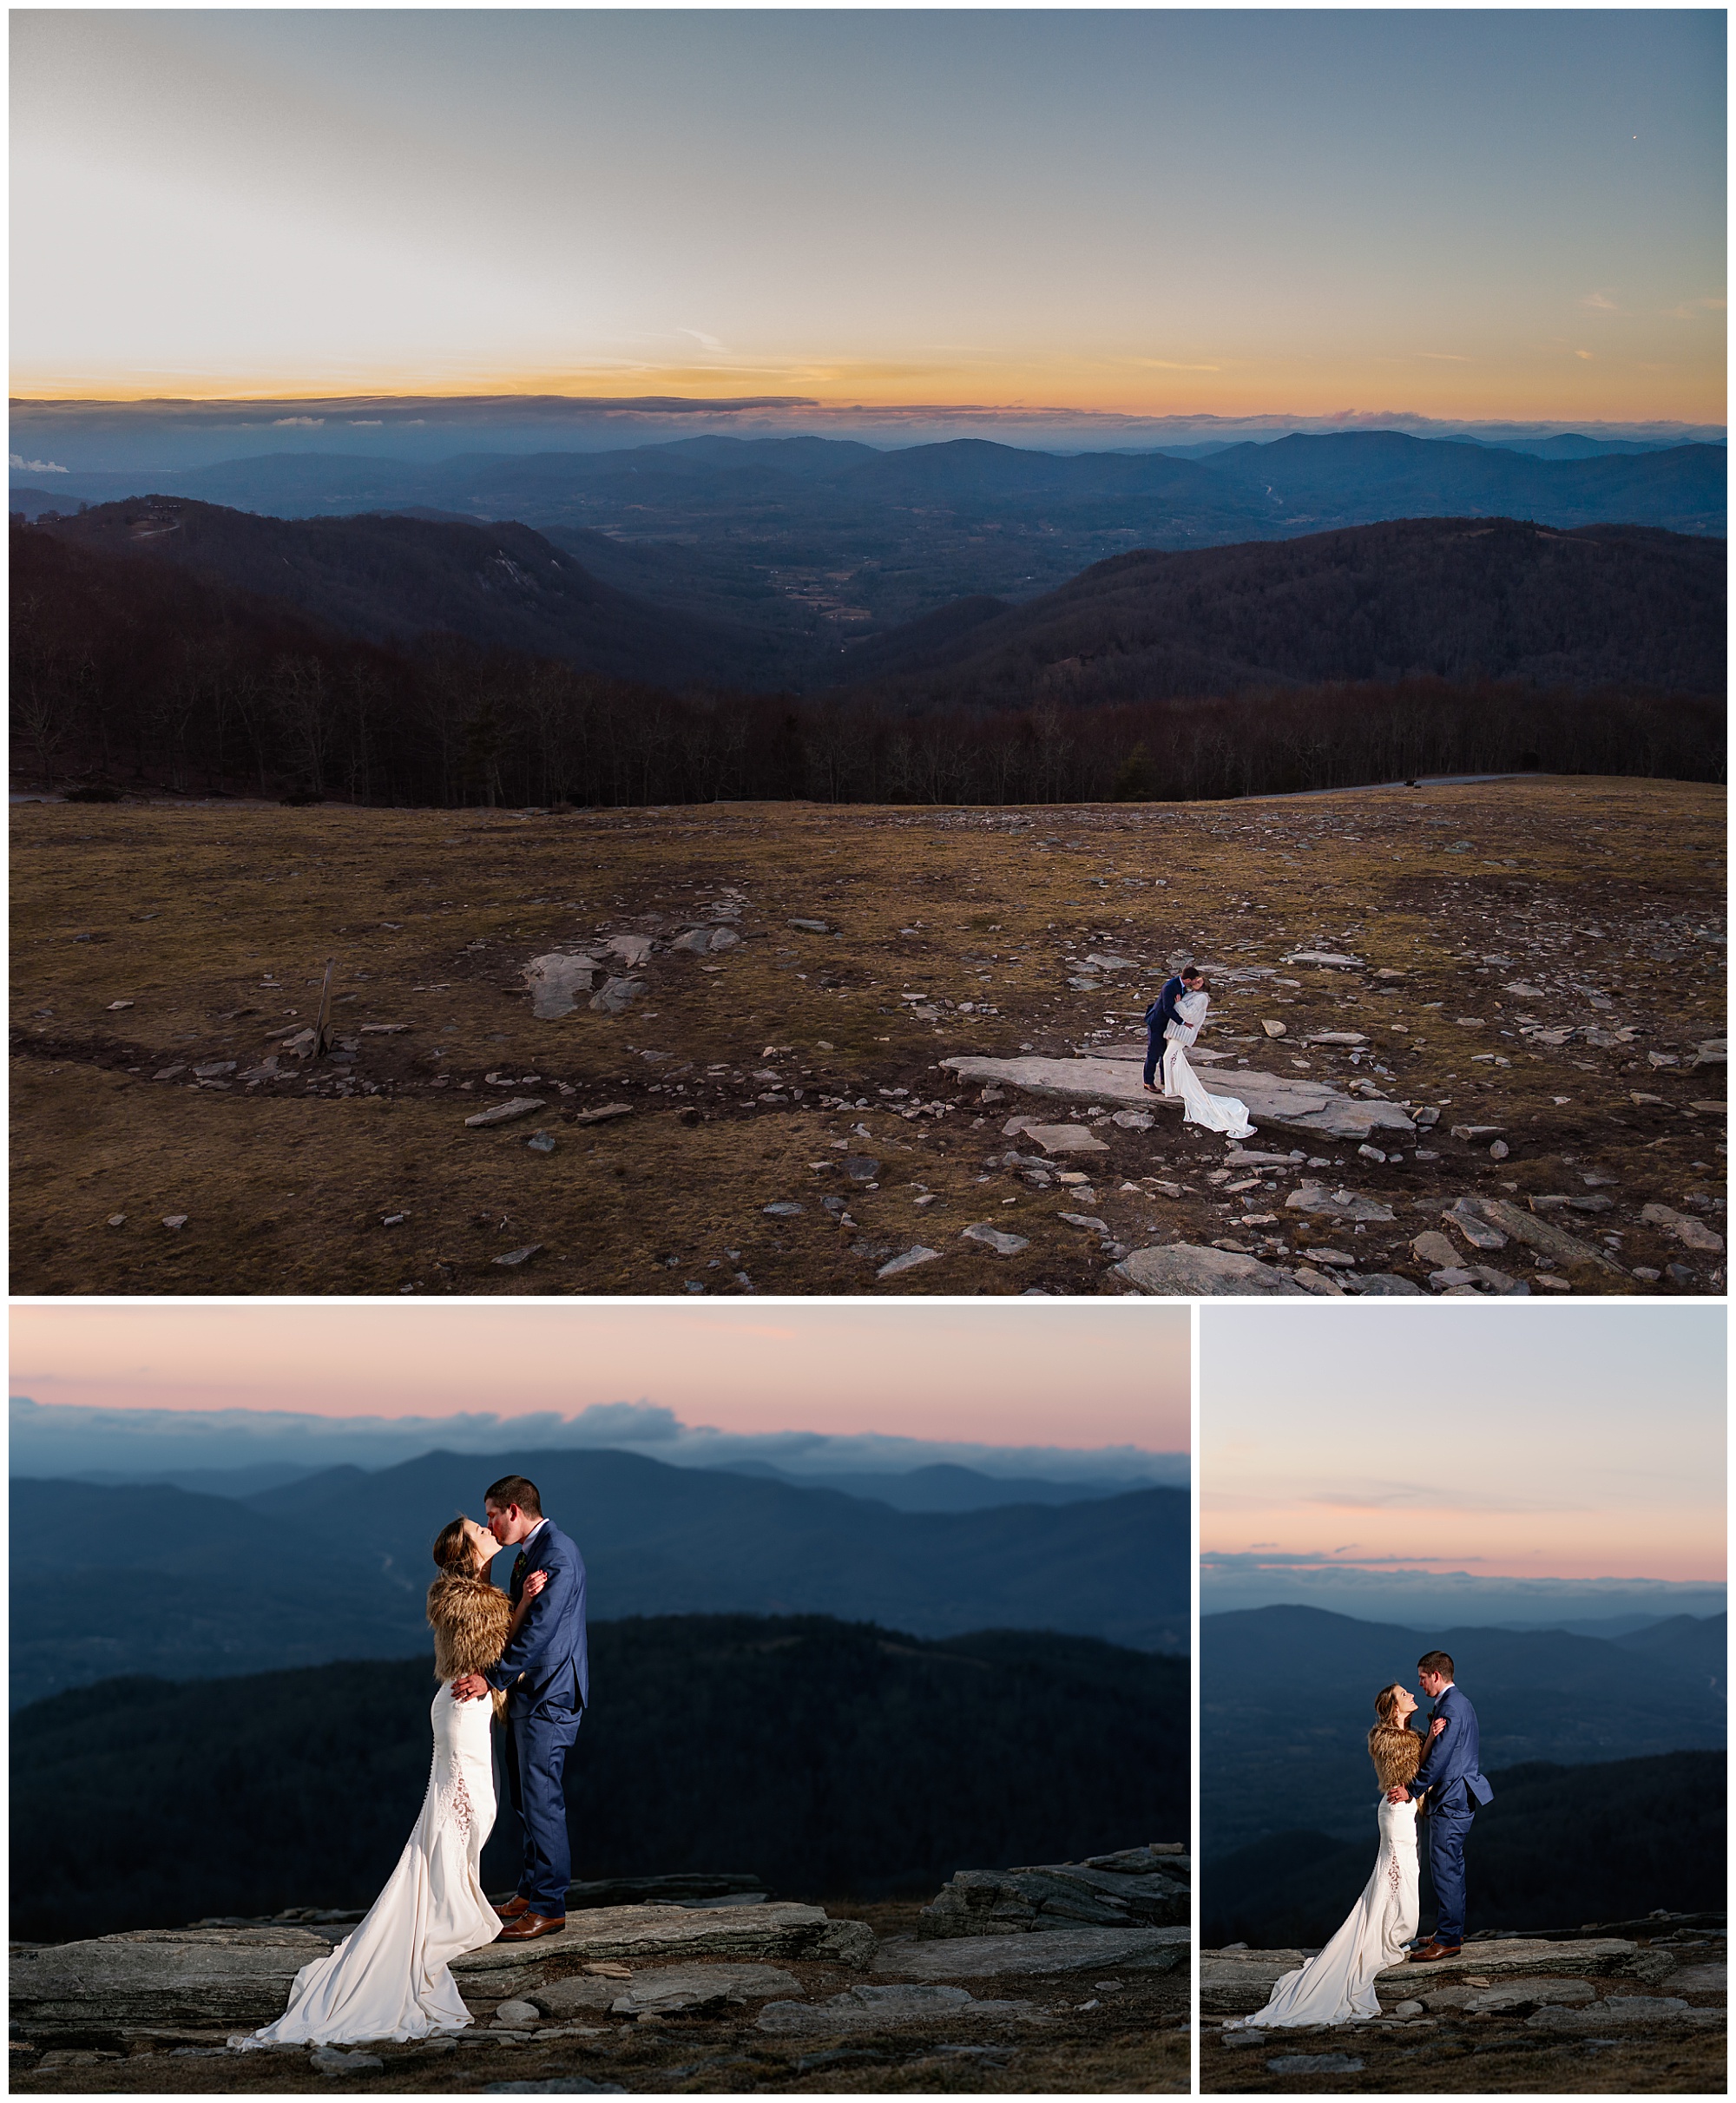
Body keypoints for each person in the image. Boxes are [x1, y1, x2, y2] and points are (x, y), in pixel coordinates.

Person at [235, 1516, 548, 2048]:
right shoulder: (464, 1598)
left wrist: (514, 1600)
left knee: (464, 1812)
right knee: (469, 1811)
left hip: (464, 1707)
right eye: (478, 1528)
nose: (486, 1526)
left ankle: (455, 1898)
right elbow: (496, 1653)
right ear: (467, 1550)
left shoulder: (473, 1589)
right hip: (462, 1709)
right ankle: (449, 1908)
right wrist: (524, 1605)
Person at [1226, 1681, 1434, 2029]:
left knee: (1401, 1872)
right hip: (1397, 1811)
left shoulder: (1412, 1735)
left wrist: (1429, 1737)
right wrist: (1431, 1740)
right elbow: (1410, 1774)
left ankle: (1392, 1931)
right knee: (1399, 1872)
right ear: (1393, 1708)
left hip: (1404, 1810)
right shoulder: (1389, 1739)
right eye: (1404, 1695)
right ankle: (1391, 1934)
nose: (1411, 1695)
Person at [451, 1474, 589, 1943]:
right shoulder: (535, 1551)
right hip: (531, 1695)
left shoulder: (557, 1555)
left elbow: (539, 1634)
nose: (489, 1523)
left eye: (492, 1514)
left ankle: (550, 1907)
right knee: (526, 1799)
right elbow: (520, 1617)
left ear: (514, 1510)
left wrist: (491, 1679)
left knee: (542, 1799)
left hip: (550, 1695)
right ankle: (531, 1892)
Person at [1385, 1650, 1492, 1961]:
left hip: (1451, 1799)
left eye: (1422, 1677)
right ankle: (1450, 1930)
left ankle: (1448, 1940)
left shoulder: (1452, 1709)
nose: (1418, 1684)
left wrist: (1411, 1789)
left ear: (1436, 1675)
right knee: (1451, 1868)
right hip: (1458, 1796)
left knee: (1446, 1869)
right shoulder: (1457, 1703)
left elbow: (1439, 1762)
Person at [1160, 977, 1256, 1140]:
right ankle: (1173, 1087)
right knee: (1176, 1059)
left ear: (1204, 985)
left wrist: (1178, 1004)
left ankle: (1173, 1089)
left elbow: (1189, 1015)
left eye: (1199, 981)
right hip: (1175, 1030)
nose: (1196, 982)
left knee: (1169, 1057)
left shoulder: (1202, 998)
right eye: (1196, 980)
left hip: (1182, 1033)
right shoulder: (1191, 994)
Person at [1143, 966, 1201, 1094]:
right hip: (1157, 1023)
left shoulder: (1182, 986)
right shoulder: (1170, 987)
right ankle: (1148, 1082)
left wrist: (1198, 986)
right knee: (1153, 1052)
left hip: (1166, 1024)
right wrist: (1182, 1022)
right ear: (1187, 980)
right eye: (1193, 980)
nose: (1194, 982)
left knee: (1165, 1052)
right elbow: (1167, 1009)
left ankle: (1166, 1078)